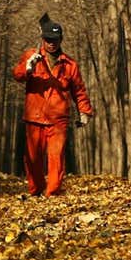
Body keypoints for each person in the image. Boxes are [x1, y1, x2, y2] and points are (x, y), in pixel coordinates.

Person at [12, 13, 94, 196]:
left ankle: (52, 192)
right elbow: (17, 75)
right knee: (32, 158)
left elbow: (79, 90)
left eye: (55, 40)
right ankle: (36, 190)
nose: (51, 43)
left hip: (58, 119)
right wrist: (27, 68)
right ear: (43, 39)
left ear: (61, 40)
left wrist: (85, 112)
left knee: (56, 157)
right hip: (34, 117)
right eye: (48, 39)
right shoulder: (31, 56)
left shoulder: (70, 65)